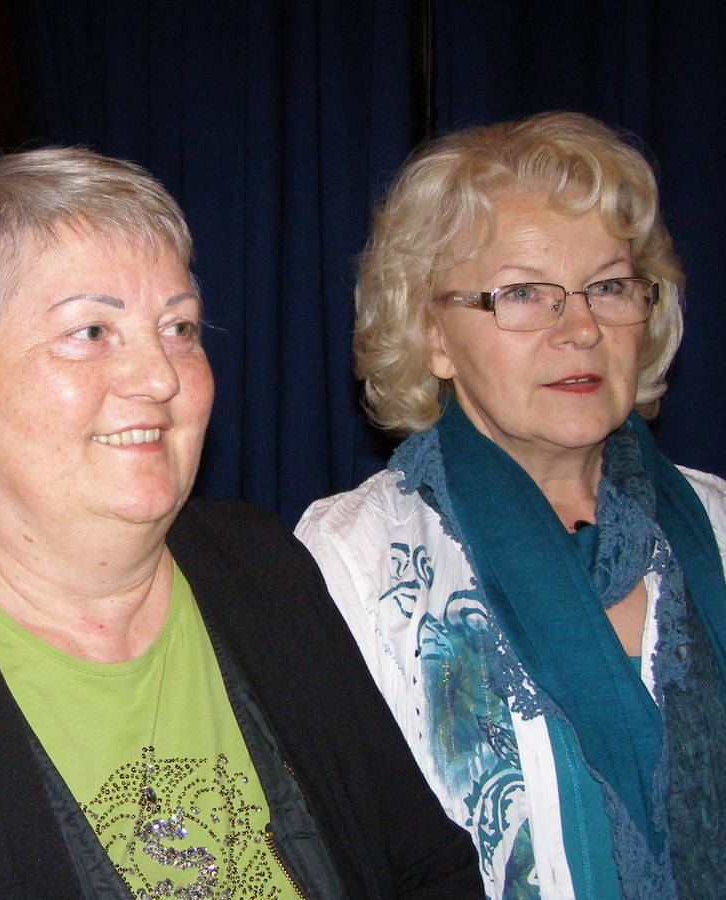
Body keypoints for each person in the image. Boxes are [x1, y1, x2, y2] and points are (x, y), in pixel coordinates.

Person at [0, 147, 482, 899]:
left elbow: (425, 871)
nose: (159, 376)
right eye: (91, 332)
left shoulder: (262, 565)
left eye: (179, 328)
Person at [296, 112, 726, 900]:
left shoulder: (720, 526)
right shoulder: (353, 558)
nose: (582, 328)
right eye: (524, 294)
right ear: (433, 334)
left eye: (608, 286)